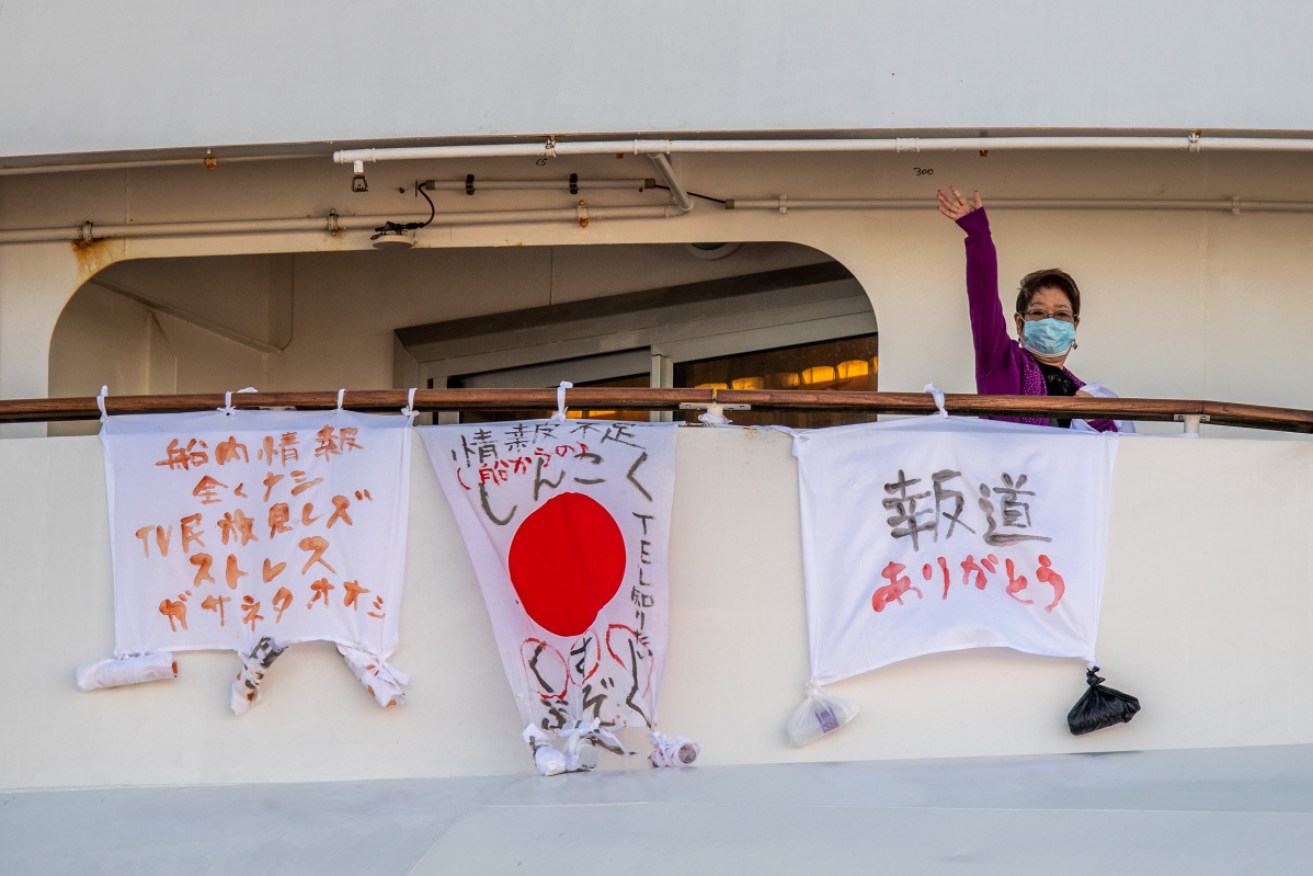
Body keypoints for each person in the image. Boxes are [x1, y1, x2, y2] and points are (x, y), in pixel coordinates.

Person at [937, 187, 1120, 432]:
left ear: (1074, 325)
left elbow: (1115, 456)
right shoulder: (1001, 362)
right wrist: (979, 233)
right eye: (1038, 312)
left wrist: (1097, 418)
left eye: (1061, 314)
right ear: (1020, 323)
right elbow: (983, 300)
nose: (1050, 321)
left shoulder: (1086, 393)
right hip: (1006, 471)